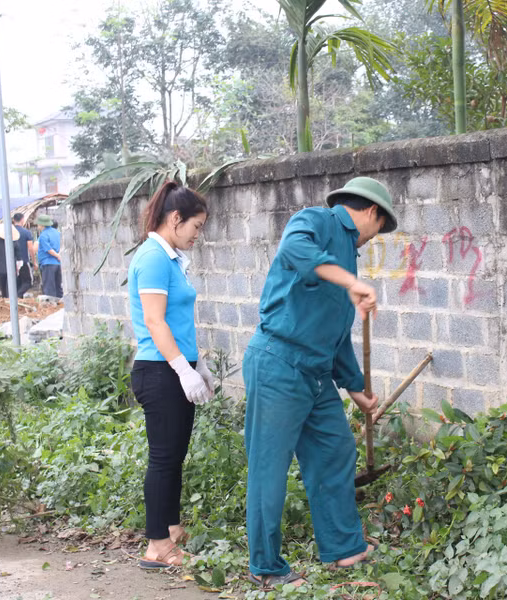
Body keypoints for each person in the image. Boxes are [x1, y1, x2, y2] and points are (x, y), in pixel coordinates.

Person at [243, 176, 397, 588]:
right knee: (269, 468)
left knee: (335, 452)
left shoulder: (348, 254)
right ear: (371, 212)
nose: (375, 236)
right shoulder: (316, 221)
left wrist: (357, 390)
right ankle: (266, 566)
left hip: (314, 375)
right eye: (381, 227)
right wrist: (351, 282)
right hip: (279, 363)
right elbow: (294, 250)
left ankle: (345, 549)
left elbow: (335, 333)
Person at [127, 181, 215, 569]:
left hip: (175, 368)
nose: (198, 235)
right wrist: (183, 369)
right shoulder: (153, 258)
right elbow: (153, 320)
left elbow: (178, 321)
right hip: (160, 371)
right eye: (196, 226)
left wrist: (198, 365)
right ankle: (157, 546)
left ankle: (171, 528)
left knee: (173, 457)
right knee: (163, 459)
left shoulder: (170, 258)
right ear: (175, 219)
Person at [0, 223, 21, 299]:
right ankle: (10, 303)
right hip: (11, 269)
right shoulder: (15, 243)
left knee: (3, 289)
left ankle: (4, 300)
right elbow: (19, 260)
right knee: (10, 289)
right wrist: (17, 270)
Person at [35, 214, 63, 299]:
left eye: (38, 224)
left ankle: (52, 305)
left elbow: (48, 249)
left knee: (49, 287)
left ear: (42, 225)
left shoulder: (43, 235)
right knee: (58, 285)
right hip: (58, 264)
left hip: (48, 263)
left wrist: (57, 255)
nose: (37, 226)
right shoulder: (57, 233)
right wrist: (59, 256)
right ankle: (60, 304)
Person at [13, 213, 34, 297]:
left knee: (17, 282)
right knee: (28, 281)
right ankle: (19, 295)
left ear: (13, 220)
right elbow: (30, 248)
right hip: (23, 261)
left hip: (12, 262)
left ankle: (17, 299)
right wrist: (34, 261)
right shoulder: (26, 232)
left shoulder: (8, 232)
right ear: (22, 220)